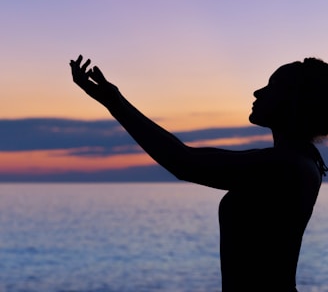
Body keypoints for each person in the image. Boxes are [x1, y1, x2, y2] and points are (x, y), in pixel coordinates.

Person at [70, 55, 328, 292]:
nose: (258, 91)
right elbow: (188, 157)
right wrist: (114, 101)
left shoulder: (285, 166)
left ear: (293, 100)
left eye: (271, 87)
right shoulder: (298, 162)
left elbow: (183, 162)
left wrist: (114, 102)